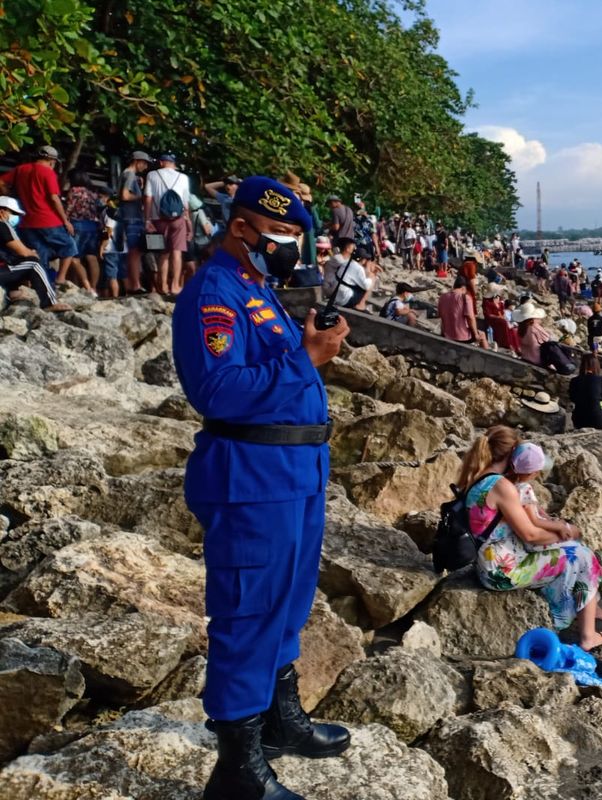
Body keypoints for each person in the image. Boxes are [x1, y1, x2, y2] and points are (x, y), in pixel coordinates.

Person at [172, 176, 352, 800]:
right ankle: (237, 767)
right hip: (251, 475)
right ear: (242, 227)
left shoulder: (257, 289)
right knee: (248, 611)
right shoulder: (214, 292)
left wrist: (308, 348)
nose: (287, 246)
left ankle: (279, 718)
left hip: (295, 471)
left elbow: (277, 365)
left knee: (290, 602)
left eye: (294, 236)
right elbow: (218, 389)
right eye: (279, 233)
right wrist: (308, 360)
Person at [461, 429, 602, 650]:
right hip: (501, 570)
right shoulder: (500, 486)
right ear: (513, 455)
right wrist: (565, 532)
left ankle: (584, 606)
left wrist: (561, 535)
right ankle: (584, 634)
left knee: (572, 550)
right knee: (583, 556)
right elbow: (531, 535)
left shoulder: (479, 477)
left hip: (491, 560)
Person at [0, 145, 77, 286]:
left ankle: (40, 283)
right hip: (48, 220)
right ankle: (60, 278)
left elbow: (1, 181)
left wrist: (8, 195)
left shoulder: (20, 169)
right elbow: (54, 198)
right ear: (52, 161)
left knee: (40, 253)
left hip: (27, 222)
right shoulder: (48, 173)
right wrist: (65, 221)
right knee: (69, 246)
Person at [0, 196, 69, 311]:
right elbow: (22, 251)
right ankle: (49, 303)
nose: (15, 217)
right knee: (33, 264)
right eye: (13, 213)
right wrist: (32, 254)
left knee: (20, 262)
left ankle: (13, 292)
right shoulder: (2, 225)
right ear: (2, 212)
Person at [143, 152, 192, 295]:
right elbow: (185, 202)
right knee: (177, 253)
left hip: (158, 220)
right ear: (174, 164)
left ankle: (163, 286)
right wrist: (188, 223)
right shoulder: (183, 177)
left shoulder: (152, 175)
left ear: (161, 162)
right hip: (178, 220)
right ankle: (175, 286)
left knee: (163, 254)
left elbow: (148, 198)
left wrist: (147, 219)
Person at [116, 150, 152, 294]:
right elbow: (124, 195)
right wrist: (141, 197)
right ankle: (135, 285)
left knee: (133, 252)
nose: (145, 167)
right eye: (144, 163)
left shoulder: (127, 175)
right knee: (135, 252)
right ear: (137, 161)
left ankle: (133, 284)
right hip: (131, 218)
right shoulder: (130, 174)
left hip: (127, 217)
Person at [64, 170, 101, 295]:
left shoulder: (74, 191)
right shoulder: (93, 193)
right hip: (93, 226)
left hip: (77, 224)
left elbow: (68, 209)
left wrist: (64, 221)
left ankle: (87, 286)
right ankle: (95, 287)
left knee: (74, 258)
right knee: (92, 257)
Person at [569, 354, 602, 430]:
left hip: (579, 421)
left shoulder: (574, 381)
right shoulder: (601, 380)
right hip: (599, 422)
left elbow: (573, 398)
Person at [323, 241, 371, 310]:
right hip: (342, 299)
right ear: (361, 259)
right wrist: (369, 274)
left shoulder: (346, 262)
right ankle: (360, 305)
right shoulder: (358, 268)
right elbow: (366, 286)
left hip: (335, 294)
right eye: (365, 259)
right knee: (365, 286)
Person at [438, 273, 483, 345]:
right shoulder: (465, 297)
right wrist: (476, 334)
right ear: (463, 288)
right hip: (462, 337)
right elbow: (470, 318)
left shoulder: (442, 297)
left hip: (446, 335)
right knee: (482, 335)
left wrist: (443, 333)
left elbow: (441, 316)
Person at [514, 301, 553, 366]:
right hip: (537, 359)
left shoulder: (521, 327)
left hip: (526, 356)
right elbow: (547, 339)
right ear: (533, 318)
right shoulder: (535, 327)